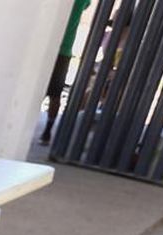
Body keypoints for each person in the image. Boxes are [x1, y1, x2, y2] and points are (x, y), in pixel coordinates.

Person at [40, 0, 91, 145]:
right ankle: (47, 131)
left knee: (37, 90)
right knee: (55, 93)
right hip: (64, 50)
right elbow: (87, 6)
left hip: (46, 46)